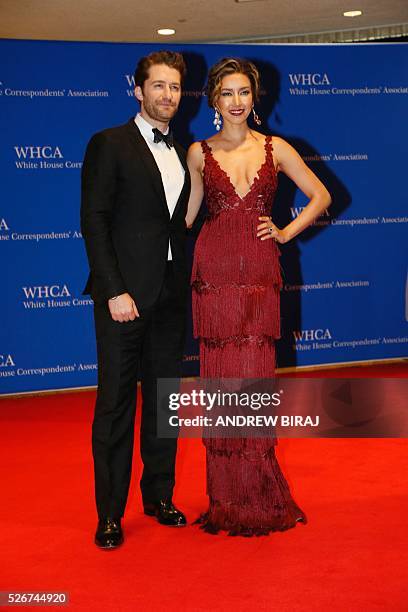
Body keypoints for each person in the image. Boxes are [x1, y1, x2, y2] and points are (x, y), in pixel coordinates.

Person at [186, 57, 331, 536]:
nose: (236, 102)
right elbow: (187, 216)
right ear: (213, 101)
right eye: (226, 93)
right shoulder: (198, 152)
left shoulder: (276, 148)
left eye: (243, 92)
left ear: (256, 98)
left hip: (259, 275)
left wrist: (287, 232)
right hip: (214, 273)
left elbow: (321, 195)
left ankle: (260, 495)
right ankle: (227, 499)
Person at [81, 50, 191, 549]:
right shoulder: (109, 143)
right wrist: (114, 290)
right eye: (158, 86)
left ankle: (159, 496)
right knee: (116, 407)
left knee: (165, 405)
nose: (167, 95)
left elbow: (179, 224)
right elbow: (95, 220)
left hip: (169, 298)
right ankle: (109, 514)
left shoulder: (181, 149)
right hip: (124, 299)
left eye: (174, 87)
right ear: (138, 89)